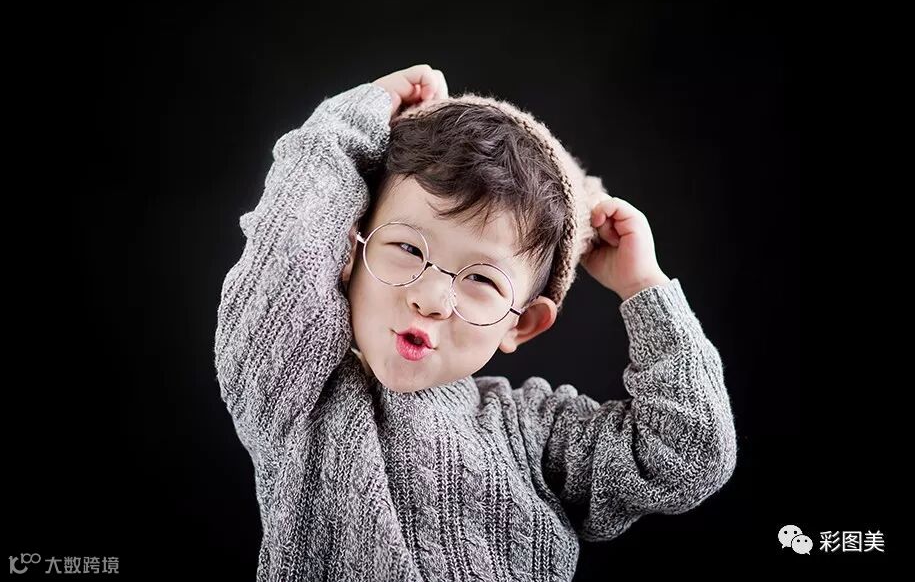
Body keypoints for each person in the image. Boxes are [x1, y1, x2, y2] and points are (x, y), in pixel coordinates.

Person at [214, 63, 737, 581]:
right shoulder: (298, 391)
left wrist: (642, 287)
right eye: (406, 248)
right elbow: (287, 255)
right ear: (349, 251)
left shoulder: (535, 433)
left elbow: (690, 454)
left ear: (522, 324)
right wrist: (353, 120)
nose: (431, 299)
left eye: (482, 280)